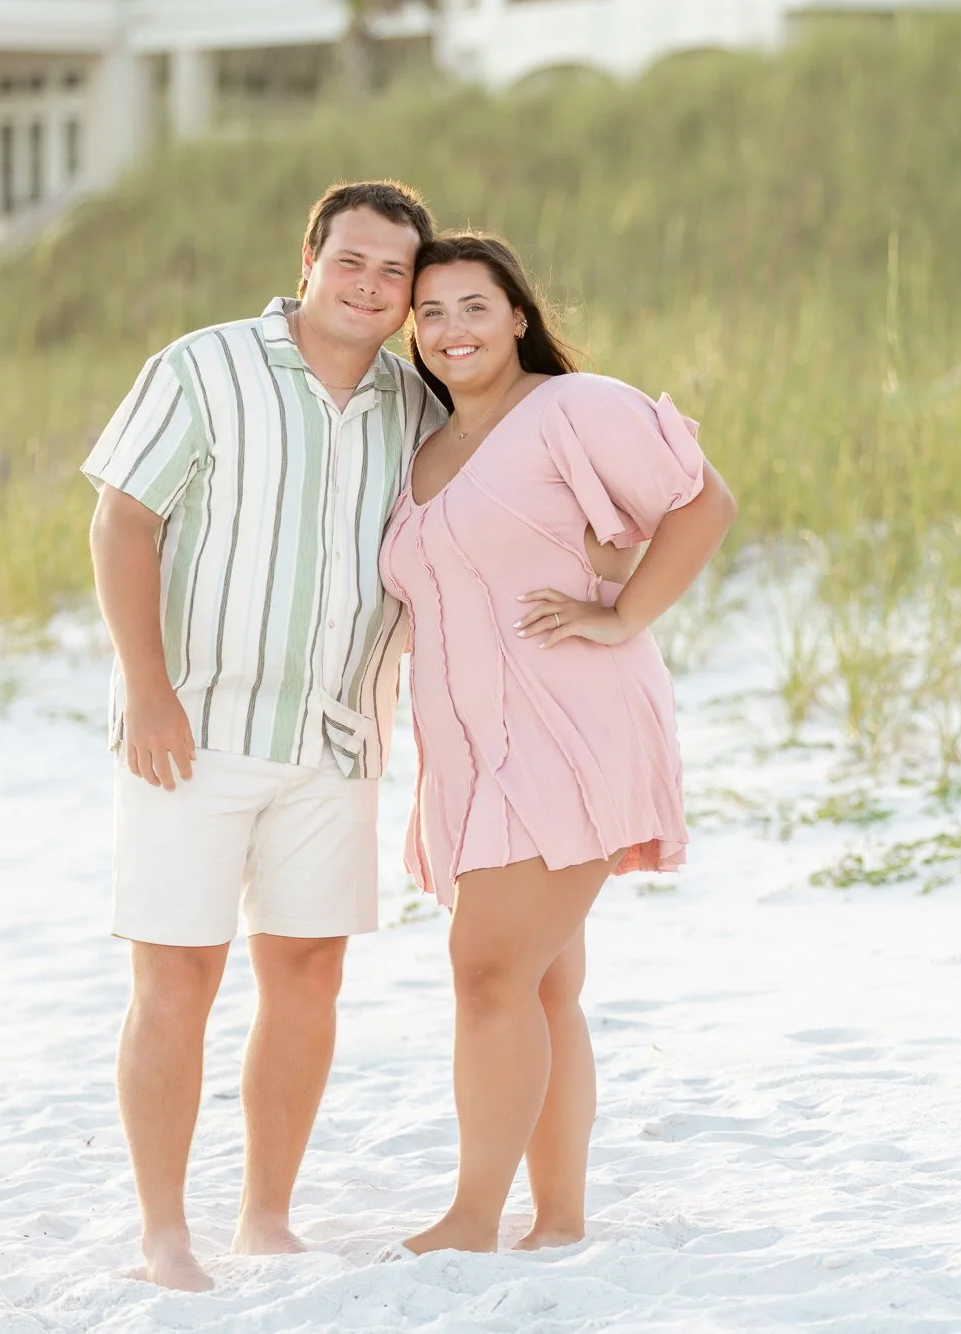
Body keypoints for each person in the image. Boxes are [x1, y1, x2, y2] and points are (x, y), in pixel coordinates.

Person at [82, 180, 445, 1291]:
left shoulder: (417, 405)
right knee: (177, 980)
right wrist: (147, 690)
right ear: (308, 257)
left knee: (306, 978)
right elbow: (123, 521)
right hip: (190, 732)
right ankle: (162, 1231)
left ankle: (266, 1216)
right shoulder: (203, 366)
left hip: (336, 741)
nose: (371, 285)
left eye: (393, 272)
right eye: (353, 261)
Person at [380, 232, 737, 1255]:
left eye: (474, 307)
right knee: (538, 982)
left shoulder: (570, 407)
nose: (452, 330)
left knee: (485, 969)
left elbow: (703, 502)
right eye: (432, 312)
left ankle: (470, 1216)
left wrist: (623, 615)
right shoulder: (427, 447)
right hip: (471, 748)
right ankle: (560, 1218)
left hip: (567, 726)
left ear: (519, 315)